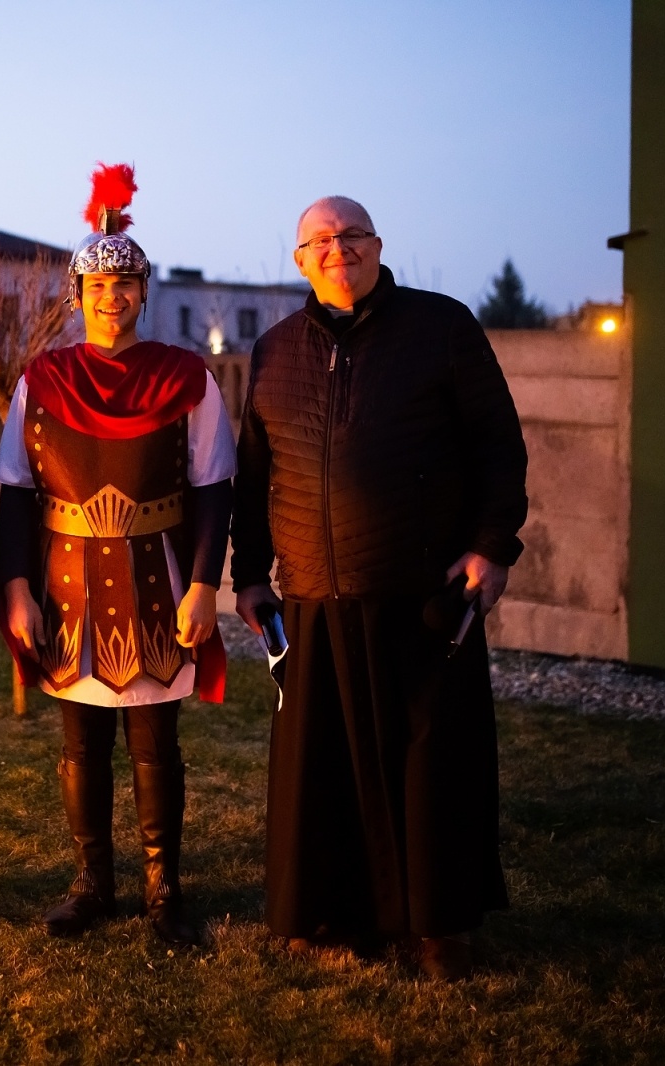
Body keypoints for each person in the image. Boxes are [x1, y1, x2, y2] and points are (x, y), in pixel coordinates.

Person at [230, 197, 528, 980]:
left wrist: (492, 547)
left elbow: (499, 446)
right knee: (323, 770)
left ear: (378, 245)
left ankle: (437, 928)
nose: (338, 249)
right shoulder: (273, 351)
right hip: (313, 598)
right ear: (299, 260)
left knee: (433, 772)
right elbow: (255, 476)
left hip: (423, 595)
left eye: (352, 235)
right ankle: (330, 913)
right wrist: (250, 577)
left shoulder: (443, 329)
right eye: (320, 240)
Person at [0, 165, 235, 946]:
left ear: (143, 292)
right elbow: (16, 493)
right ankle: (92, 882)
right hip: (66, 581)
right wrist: (17, 586)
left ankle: (165, 889)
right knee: (80, 742)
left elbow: (212, 487)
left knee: (155, 743)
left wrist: (204, 583)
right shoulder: (42, 381)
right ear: (77, 294)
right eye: (99, 287)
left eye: (126, 284)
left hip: (158, 579)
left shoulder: (185, 377)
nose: (113, 298)